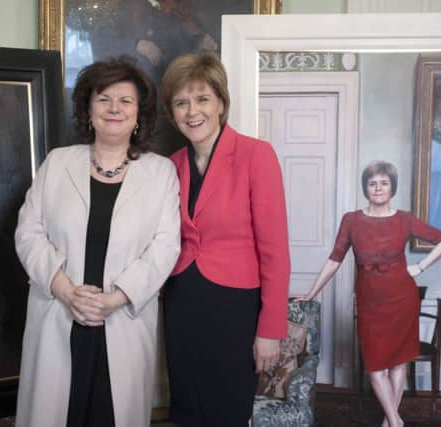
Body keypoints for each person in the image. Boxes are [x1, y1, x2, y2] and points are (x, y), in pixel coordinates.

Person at [14, 56, 181, 427]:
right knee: (57, 413)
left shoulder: (160, 172)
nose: (114, 109)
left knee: (111, 413)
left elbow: (165, 247)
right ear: (88, 109)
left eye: (125, 100)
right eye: (104, 98)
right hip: (59, 312)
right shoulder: (58, 162)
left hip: (121, 316)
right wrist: (66, 292)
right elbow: (28, 232)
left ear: (139, 114)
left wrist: (114, 299)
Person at [160, 51, 291, 426]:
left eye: (202, 99)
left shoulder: (256, 155)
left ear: (221, 102)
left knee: (228, 410)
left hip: (235, 307)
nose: (192, 111)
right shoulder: (171, 166)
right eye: (181, 102)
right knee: (186, 408)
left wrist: (270, 330)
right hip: (182, 303)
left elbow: (275, 252)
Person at [296, 161, 441, 427]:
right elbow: (334, 259)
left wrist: (420, 266)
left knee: (398, 363)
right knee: (376, 366)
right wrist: (312, 292)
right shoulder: (352, 220)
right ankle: (396, 421)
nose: (378, 188)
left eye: (384, 183)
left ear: (392, 188)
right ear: (365, 188)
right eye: (372, 183)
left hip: (402, 299)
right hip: (370, 302)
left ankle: (389, 422)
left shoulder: (404, 219)